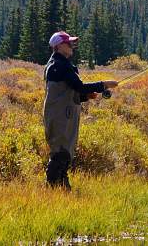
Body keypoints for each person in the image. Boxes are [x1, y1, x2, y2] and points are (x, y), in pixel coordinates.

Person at [43, 31, 118, 190]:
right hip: (60, 116)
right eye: (69, 43)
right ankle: (52, 188)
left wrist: (86, 96)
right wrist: (104, 84)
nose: (72, 46)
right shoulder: (59, 65)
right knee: (60, 153)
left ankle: (60, 190)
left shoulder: (60, 64)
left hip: (63, 114)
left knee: (63, 154)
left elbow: (68, 91)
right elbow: (79, 86)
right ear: (59, 46)